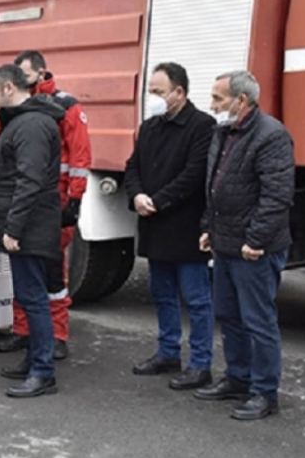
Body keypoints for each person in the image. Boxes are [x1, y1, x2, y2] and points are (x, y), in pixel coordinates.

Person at [195, 71, 294, 421]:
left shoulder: (271, 135)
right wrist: (209, 228)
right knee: (230, 316)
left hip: (254, 249)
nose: (212, 105)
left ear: (241, 100)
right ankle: (237, 379)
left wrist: (256, 240)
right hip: (225, 243)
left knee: (258, 320)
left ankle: (265, 393)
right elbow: (215, 185)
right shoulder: (225, 133)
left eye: (218, 98)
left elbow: (276, 195)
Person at [123, 62, 215, 390]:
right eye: (150, 91)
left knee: (197, 299)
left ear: (179, 92)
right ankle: (167, 352)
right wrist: (136, 196)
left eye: (158, 91)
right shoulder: (150, 127)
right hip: (154, 225)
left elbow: (194, 175)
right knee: (161, 295)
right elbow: (132, 166)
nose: (152, 97)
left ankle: (201, 363)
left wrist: (158, 200)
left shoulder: (202, 126)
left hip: (184, 226)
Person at [0, 50, 91, 360]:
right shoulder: (21, 111)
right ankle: (25, 331)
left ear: (40, 72)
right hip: (30, 204)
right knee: (25, 273)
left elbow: (79, 156)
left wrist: (75, 199)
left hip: (54, 201)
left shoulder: (65, 107)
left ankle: (57, 334)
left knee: (52, 273)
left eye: (25, 74)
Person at [0, 64, 64, 398]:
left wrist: (13, 227)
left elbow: (29, 180)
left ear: (8, 89)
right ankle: (33, 358)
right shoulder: (23, 121)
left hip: (29, 228)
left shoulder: (31, 125)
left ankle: (43, 371)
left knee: (34, 299)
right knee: (28, 296)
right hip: (24, 226)